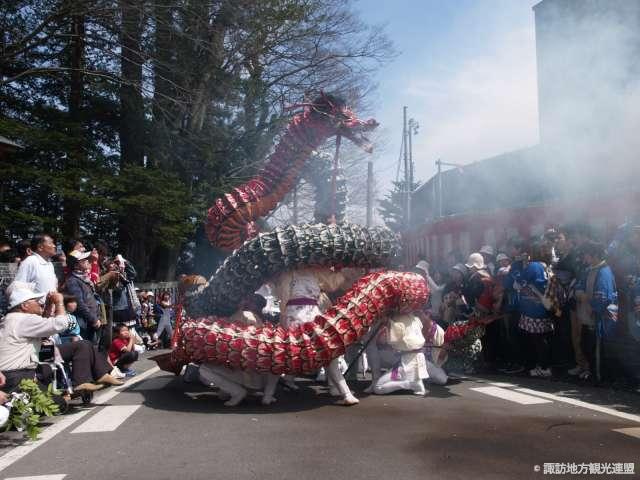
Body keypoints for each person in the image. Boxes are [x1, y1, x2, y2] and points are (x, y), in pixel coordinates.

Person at [0, 282, 122, 393]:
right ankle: (91, 378)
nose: (39, 303)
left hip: (35, 357)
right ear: (25, 306)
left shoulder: (15, 318)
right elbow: (61, 324)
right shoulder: (24, 320)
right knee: (59, 404)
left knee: (83, 345)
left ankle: (88, 379)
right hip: (20, 372)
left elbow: (44, 327)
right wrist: (59, 302)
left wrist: (48, 305)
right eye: (35, 301)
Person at [270, 267, 359, 405]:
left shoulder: (312, 271)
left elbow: (331, 283)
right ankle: (344, 392)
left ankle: (344, 392)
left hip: (307, 316)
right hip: (299, 317)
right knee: (286, 356)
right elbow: (283, 297)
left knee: (285, 356)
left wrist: (344, 274)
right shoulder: (292, 273)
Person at [508, 242, 555, 378]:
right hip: (545, 304)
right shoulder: (546, 266)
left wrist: (517, 266)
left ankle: (543, 367)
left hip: (534, 307)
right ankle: (544, 365)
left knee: (538, 339)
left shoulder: (534, 266)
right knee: (543, 338)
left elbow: (517, 284)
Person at [575, 241, 618, 380]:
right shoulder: (589, 270)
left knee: (595, 349)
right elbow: (578, 288)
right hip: (588, 317)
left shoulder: (604, 272)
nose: (584, 257)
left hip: (598, 319)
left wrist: (587, 299)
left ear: (594, 255)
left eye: (586, 254)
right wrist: (582, 295)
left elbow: (602, 299)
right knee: (585, 345)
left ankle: (598, 376)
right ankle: (592, 372)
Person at [373, 312, 428, 396]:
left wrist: (387, 322)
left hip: (407, 363)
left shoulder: (400, 319)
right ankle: (414, 382)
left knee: (378, 387)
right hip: (417, 359)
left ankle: (410, 384)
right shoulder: (415, 319)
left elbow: (396, 331)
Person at [63, 251, 101, 344]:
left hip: (89, 321)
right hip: (83, 322)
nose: (88, 261)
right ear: (76, 266)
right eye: (83, 261)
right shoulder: (73, 281)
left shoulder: (84, 279)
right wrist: (93, 319)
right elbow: (79, 303)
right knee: (86, 348)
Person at [14, 234, 58, 301]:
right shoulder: (30, 261)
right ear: (40, 247)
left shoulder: (50, 264)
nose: (54, 246)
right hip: (35, 309)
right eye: (50, 243)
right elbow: (18, 288)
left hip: (50, 308)